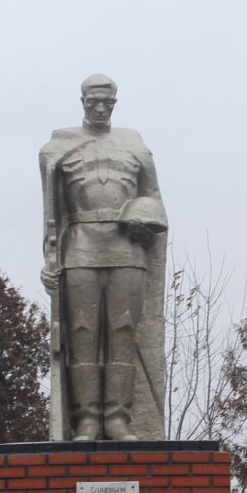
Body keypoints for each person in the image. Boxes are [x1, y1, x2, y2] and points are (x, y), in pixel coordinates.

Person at [39, 75, 168, 441]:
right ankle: (86, 420)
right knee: (82, 334)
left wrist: (148, 226)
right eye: (92, 102)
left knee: (123, 333)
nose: (99, 109)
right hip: (80, 247)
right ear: (82, 102)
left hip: (127, 248)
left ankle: (118, 419)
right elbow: (51, 215)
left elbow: (154, 200)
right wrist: (49, 260)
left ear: (114, 103)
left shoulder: (135, 147)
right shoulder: (58, 149)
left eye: (106, 103)